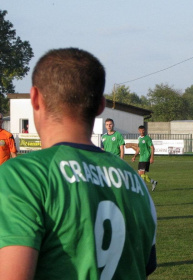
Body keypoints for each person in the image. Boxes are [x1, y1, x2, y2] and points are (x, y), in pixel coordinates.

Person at [0, 48, 157, 279]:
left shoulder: (22, 175)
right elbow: (146, 265)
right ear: (101, 106)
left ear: (35, 98)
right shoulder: (137, 183)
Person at [132, 125, 158, 191]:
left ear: (145, 130)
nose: (141, 131)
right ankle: (153, 182)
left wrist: (152, 157)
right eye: (140, 130)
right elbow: (139, 148)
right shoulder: (139, 138)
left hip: (146, 157)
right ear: (138, 131)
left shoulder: (147, 138)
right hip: (141, 158)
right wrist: (134, 156)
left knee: (142, 174)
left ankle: (144, 188)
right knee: (139, 175)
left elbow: (152, 148)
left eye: (143, 130)